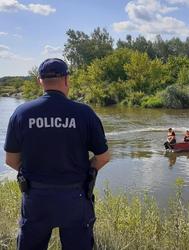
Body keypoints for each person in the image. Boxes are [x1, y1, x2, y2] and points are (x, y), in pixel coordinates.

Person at [4, 58, 110, 250]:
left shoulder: (22, 113)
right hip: (75, 198)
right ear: (67, 79)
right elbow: (103, 157)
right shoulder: (84, 113)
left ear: (40, 81)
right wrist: (88, 171)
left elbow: (11, 160)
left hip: (35, 198)